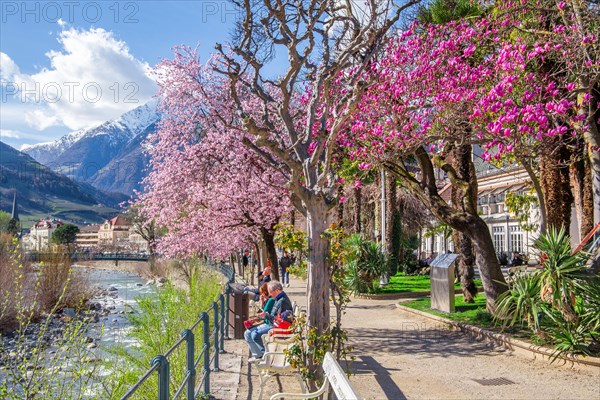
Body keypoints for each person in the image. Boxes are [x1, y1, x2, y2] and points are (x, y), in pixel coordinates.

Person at [244, 281, 293, 362]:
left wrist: (266, 315)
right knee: (247, 333)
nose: (269, 294)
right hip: (272, 324)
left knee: (255, 334)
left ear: (277, 290)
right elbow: (276, 317)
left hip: (276, 327)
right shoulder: (278, 299)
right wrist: (266, 314)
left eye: (270, 292)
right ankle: (258, 356)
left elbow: (279, 321)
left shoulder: (283, 301)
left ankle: (265, 357)